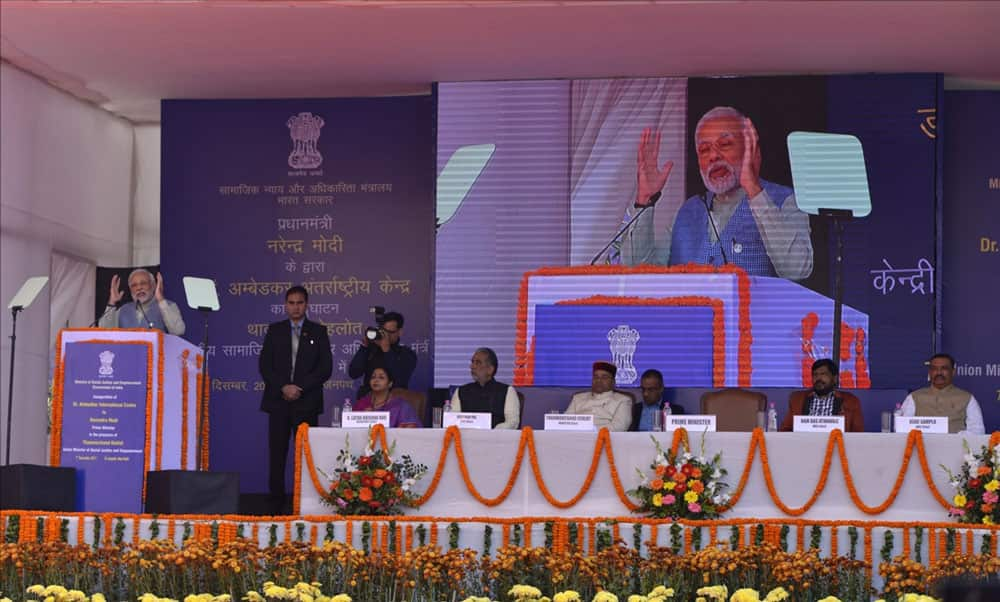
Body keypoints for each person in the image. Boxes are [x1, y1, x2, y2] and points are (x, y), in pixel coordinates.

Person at [617, 106, 813, 280]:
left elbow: (797, 270)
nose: (713, 156)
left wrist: (754, 190)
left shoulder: (785, 200)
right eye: (704, 150)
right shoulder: (686, 211)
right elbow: (638, 274)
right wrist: (644, 200)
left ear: (750, 149)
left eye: (725, 144)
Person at [258, 285, 333, 513]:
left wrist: (299, 387)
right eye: (291, 303)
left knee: (306, 455)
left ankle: (306, 502)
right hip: (278, 401)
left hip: (306, 402)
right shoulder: (275, 330)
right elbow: (265, 366)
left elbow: (325, 368)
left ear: (307, 304)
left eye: (300, 302)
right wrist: (284, 387)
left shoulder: (318, 332)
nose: (295, 307)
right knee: (277, 454)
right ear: (285, 305)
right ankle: (275, 503)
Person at [899, 353, 984, 435]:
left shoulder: (967, 398)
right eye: (934, 369)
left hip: (955, 448)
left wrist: (952, 438)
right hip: (921, 447)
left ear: (953, 371)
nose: (939, 373)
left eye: (944, 368)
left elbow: (977, 431)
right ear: (929, 372)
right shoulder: (914, 397)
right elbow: (902, 429)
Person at [780, 358, 864, 432]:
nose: (818, 378)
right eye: (815, 375)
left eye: (823, 374)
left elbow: (858, 435)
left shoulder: (850, 401)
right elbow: (785, 430)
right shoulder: (797, 399)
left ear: (834, 378)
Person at [348, 310, 417, 397]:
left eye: (390, 332)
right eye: (383, 331)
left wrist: (387, 350)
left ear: (399, 332)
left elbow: (400, 380)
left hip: (395, 402)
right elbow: (353, 373)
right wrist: (364, 347)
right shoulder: (371, 350)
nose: (386, 335)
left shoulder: (407, 354)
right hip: (368, 401)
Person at [98, 268, 186, 335]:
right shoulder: (124, 309)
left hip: (157, 357)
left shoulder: (167, 305)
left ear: (153, 285)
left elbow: (178, 330)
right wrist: (112, 302)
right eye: (134, 285)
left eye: (143, 283)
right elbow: (104, 331)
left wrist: (160, 300)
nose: (139, 288)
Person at [450, 347, 521, 429]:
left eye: (478, 363)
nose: (472, 366)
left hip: (497, 439)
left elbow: (512, 422)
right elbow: (452, 421)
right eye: (472, 362)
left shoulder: (507, 391)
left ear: (490, 369)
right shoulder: (461, 391)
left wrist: (492, 433)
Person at [565, 361, 632, 431]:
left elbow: (619, 427)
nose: (599, 380)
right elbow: (564, 422)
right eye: (595, 377)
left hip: (605, 439)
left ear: (613, 382)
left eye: (604, 377)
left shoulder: (623, 400)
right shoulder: (578, 398)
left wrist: (589, 430)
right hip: (574, 436)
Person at [353, 366, 421, 428]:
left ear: (390, 384)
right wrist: (363, 418)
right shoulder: (361, 404)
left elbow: (411, 429)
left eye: (381, 377)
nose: (376, 380)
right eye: (373, 377)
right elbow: (350, 429)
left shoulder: (400, 405)